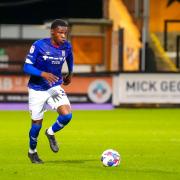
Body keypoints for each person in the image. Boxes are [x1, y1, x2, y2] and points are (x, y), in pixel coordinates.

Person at [23, 19, 73, 164]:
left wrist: (70, 73)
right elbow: (26, 67)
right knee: (35, 126)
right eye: (60, 33)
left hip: (54, 87)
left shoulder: (67, 46)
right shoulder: (39, 45)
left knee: (67, 116)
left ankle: (50, 132)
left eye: (65, 33)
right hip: (37, 89)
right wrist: (42, 74)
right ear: (52, 32)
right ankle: (32, 152)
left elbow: (70, 58)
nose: (63, 36)